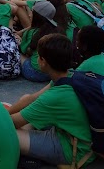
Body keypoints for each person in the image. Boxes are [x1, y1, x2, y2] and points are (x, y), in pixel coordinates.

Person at [8, 34, 94, 168]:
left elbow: (13, 122)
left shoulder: (54, 98)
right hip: (75, 134)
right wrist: (7, 111)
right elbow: (31, 98)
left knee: (8, 134)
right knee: (25, 99)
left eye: (38, 56)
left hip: (73, 149)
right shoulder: (69, 74)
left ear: (43, 61)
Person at [18, 1, 63, 82]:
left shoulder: (33, 32)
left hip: (35, 73)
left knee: (18, 54)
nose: (29, 14)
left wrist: (18, 41)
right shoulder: (58, 29)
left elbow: (23, 50)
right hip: (53, 74)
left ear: (37, 16)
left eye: (31, 12)